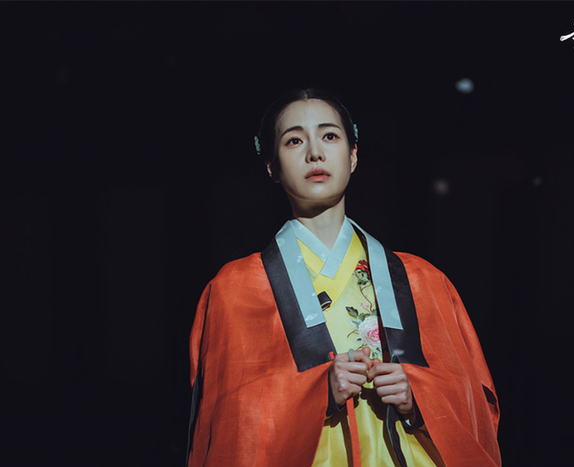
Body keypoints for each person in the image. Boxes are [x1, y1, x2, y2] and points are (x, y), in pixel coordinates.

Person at [186, 88, 501, 466]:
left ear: (353, 155)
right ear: (271, 166)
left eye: (330, 136)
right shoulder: (236, 288)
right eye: (294, 141)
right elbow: (227, 421)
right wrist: (317, 392)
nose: (314, 153)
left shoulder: (423, 280)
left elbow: (475, 401)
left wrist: (417, 396)